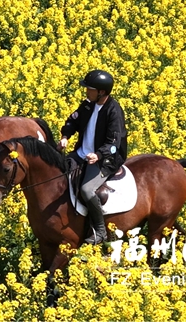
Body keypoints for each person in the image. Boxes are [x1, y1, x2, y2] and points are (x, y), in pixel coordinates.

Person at [58, 70, 128, 245]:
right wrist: (65, 136)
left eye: (90, 89)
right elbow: (72, 120)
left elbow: (114, 144)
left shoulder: (114, 111)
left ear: (101, 92)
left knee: (87, 190)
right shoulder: (88, 104)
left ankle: (100, 231)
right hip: (82, 153)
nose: (86, 92)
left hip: (106, 159)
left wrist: (98, 155)